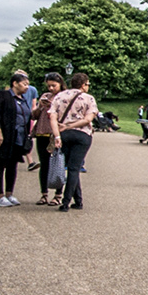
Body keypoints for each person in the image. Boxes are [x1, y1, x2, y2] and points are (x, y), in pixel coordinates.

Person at [50, 73, 98, 212]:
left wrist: (57, 136)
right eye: (88, 84)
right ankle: (66, 202)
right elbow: (88, 119)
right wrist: (71, 126)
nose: (88, 87)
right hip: (82, 135)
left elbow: (52, 117)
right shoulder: (89, 98)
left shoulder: (60, 96)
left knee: (70, 167)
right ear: (83, 85)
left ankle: (78, 201)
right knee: (74, 168)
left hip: (64, 135)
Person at [0, 73, 31, 207]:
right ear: (15, 83)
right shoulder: (3, 95)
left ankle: (9, 193)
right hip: (5, 135)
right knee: (0, 163)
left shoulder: (23, 99)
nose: (27, 87)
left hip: (18, 136)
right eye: (24, 84)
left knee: (13, 165)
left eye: (28, 84)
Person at [30, 72, 64, 205]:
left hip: (56, 133)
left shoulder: (64, 97)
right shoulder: (45, 96)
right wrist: (40, 106)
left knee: (58, 163)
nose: (51, 88)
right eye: (49, 86)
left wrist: (52, 106)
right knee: (44, 164)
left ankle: (58, 195)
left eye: (53, 85)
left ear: (60, 84)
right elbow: (34, 116)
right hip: (43, 132)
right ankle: (44, 194)